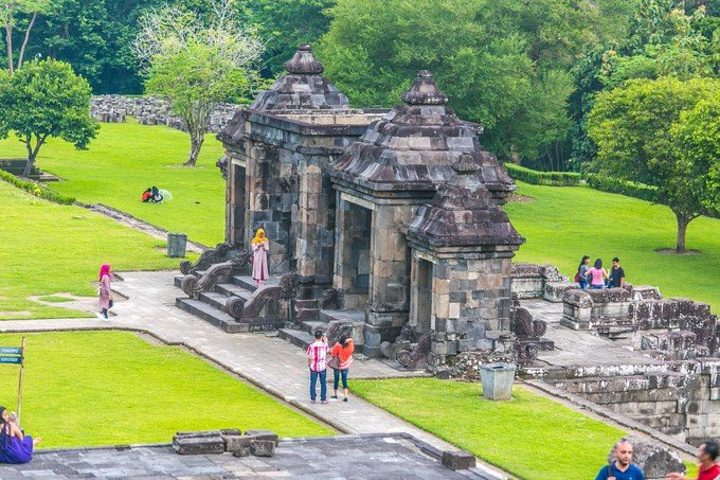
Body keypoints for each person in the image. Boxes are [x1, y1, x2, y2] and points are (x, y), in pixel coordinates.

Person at [330, 335, 355, 402]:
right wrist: (350, 340)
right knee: (344, 380)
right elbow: (352, 347)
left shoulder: (337, 345)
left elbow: (333, 355)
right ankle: (346, 396)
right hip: (346, 365)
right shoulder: (349, 346)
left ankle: (335, 394)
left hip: (338, 365)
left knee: (336, 379)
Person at [307, 330, 328, 405]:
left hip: (313, 366)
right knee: (323, 383)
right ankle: (323, 399)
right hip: (322, 366)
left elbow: (309, 357)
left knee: (313, 383)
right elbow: (327, 351)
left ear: (315, 337)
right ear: (321, 337)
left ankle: (313, 398)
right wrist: (326, 341)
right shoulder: (324, 345)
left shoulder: (311, 346)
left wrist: (309, 364)